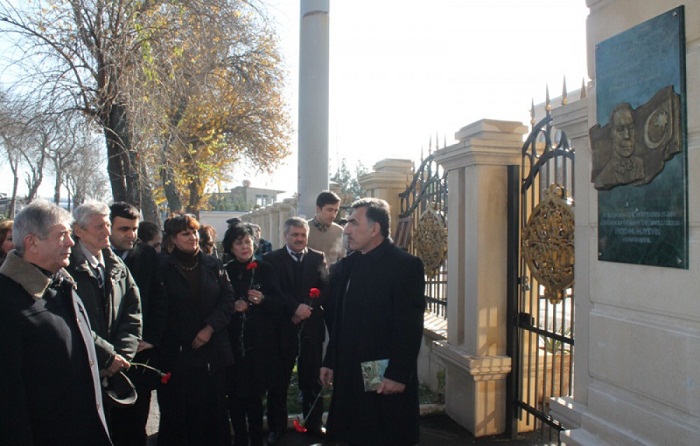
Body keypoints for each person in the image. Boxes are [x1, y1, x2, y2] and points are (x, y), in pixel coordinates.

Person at [0, 199, 111, 445]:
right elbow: (8, 398)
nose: (71, 242)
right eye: (62, 235)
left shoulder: (61, 283)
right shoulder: (8, 301)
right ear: (32, 243)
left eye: (70, 234)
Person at [320, 198, 426, 446]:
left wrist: (398, 375)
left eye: (353, 223)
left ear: (375, 228)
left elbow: (409, 327)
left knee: (381, 433)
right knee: (351, 434)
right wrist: (330, 360)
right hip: (348, 372)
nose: (346, 230)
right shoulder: (350, 264)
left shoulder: (404, 266)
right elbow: (340, 319)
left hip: (382, 373)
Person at [158, 212, 235, 446]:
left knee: (212, 412)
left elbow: (227, 298)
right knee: (181, 413)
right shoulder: (163, 267)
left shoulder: (213, 264)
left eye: (194, 231)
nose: (192, 237)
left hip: (211, 351)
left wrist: (210, 328)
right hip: (179, 354)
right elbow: (160, 308)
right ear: (172, 239)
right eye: (185, 233)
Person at [265, 217, 329, 444]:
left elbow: (324, 289)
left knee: (312, 378)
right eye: (295, 235)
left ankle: (313, 422)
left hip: (311, 328)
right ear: (285, 236)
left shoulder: (317, 257)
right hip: (283, 328)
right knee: (279, 381)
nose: (299, 239)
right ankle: (276, 427)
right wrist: (294, 308)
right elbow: (273, 292)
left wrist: (306, 310)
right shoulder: (271, 260)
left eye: (303, 235)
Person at [109, 202, 168, 446]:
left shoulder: (146, 255)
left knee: (137, 419)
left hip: (141, 351)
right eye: (123, 229)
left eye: (133, 229)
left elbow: (159, 300)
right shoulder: (98, 256)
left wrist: (150, 338)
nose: (130, 235)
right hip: (107, 354)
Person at [222, 222, 283, 446]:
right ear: (230, 247)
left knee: (255, 397)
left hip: (259, 345)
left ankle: (257, 439)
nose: (245, 247)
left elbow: (279, 304)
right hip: (233, 346)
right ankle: (239, 439)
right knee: (235, 397)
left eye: (248, 242)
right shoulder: (224, 271)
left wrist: (263, 299)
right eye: (239, 243)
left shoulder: (265, 269)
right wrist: (232, 307)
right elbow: (216, 305)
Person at [67, 202, 142, 381]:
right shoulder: (66, 268)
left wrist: (121, 356)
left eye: (108, 225)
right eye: (99, 227)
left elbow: (133, 311)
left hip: (116, 368)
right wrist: (106, 357)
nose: (107, 232)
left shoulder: (117, 266)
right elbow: (70, 320)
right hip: (80, 369)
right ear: (79, 231)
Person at [594, 103, 645, 190]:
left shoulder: (640, 164)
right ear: (611, 133)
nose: (627, 136)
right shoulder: (603, 178)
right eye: (620, 129)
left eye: (631, 128)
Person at [307, 191, 346, 266]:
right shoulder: (304, 229)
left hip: (332, 276)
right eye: (330, 210)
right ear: (318, 209)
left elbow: (342, 259)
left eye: (336, 211)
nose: (333, 215)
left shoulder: (339, 231)